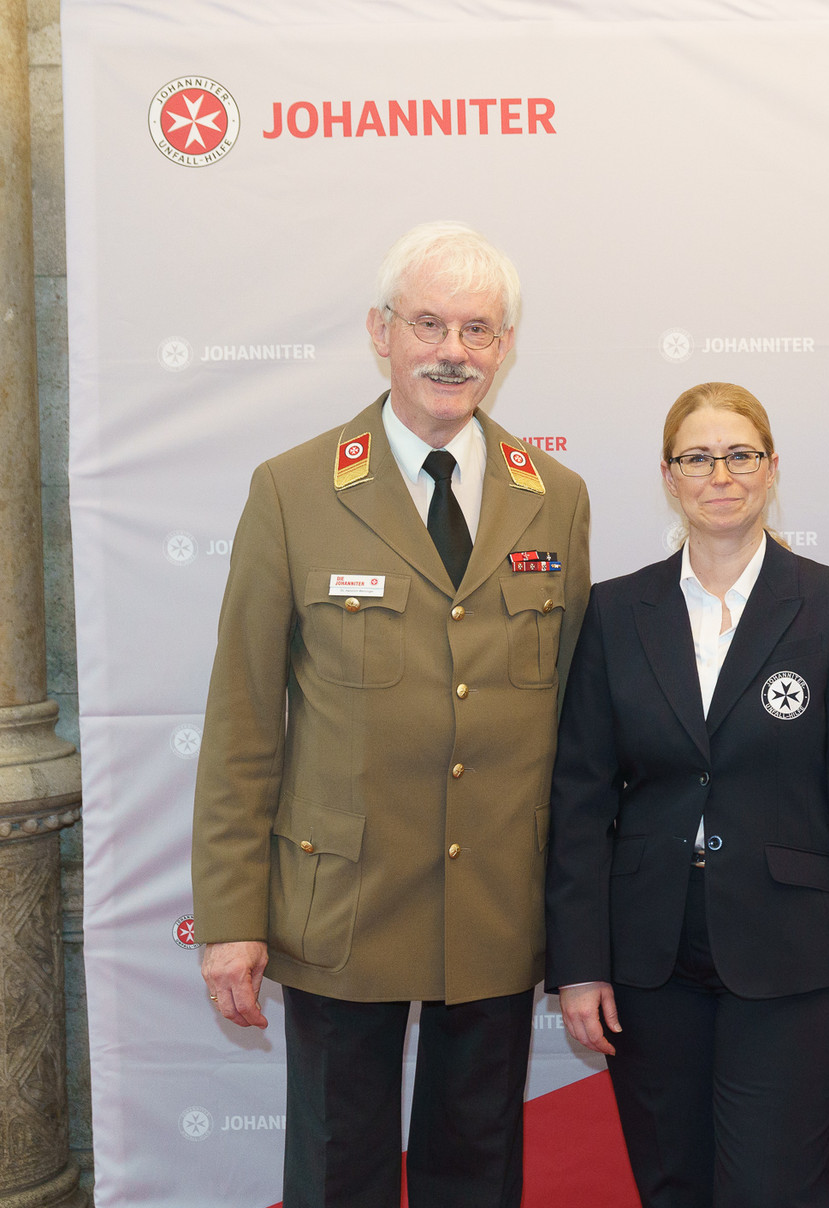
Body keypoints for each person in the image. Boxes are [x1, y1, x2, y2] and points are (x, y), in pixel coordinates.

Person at [191, 221, 592, 1207]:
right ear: (381, 332)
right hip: (344, 908)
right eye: (428, 323)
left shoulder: (560, 500)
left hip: (497, 901)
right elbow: (244, 720)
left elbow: (581, 732)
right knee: (340, 1173)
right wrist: (232, 916)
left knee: (477, 1172)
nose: (453, 350)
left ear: (504, 346)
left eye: (478, 329)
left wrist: (585, 920)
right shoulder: (293, 490)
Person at [545, 382, 829, 1208]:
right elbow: (579, 802)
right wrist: (578, 966)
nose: (722, 474)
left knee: (772, 1188)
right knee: (674, 1184)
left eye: (741, 454)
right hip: (647, 957)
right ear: (669, 476)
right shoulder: (614, 612)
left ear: (772, 468)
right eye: (698, 457)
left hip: (794, 958)